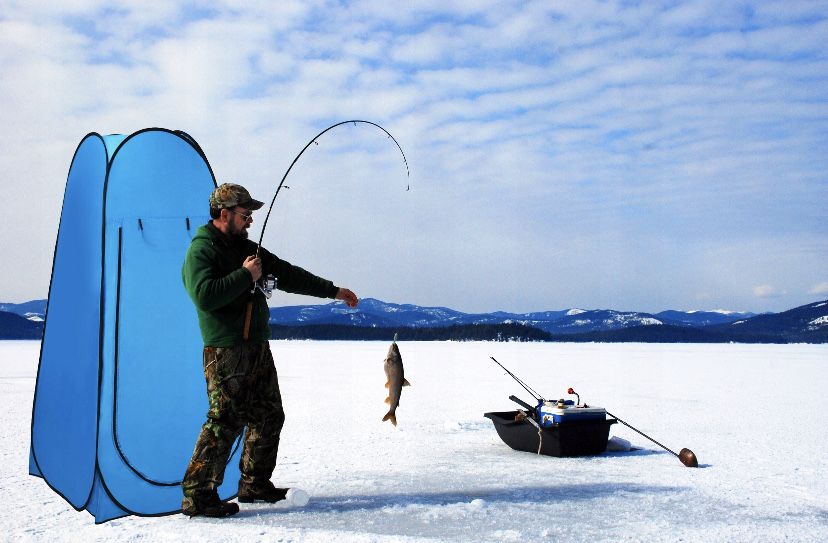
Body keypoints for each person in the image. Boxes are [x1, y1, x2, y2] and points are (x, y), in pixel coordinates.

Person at [180, 183, 358, 517]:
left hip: (256, 348)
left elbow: (288, 274)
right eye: (244, 214)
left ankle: (254, 485)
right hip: (227, 352)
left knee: (268, 415)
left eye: (250, 215)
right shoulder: (202, 250)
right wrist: (245, 275)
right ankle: (197, 495)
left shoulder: (247, 247)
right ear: (224, 214)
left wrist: (333, 291)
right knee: (224, 422)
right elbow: (204, 296)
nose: (249, 221)